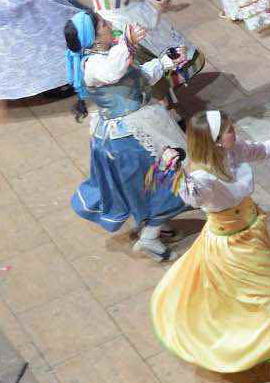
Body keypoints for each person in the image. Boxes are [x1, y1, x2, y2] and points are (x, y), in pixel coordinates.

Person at [151, 110, 270, 383]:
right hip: (233, 246)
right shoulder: (202, 178)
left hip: (254, 230)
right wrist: (177, 172)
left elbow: (267, 150)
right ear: (216, 141)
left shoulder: (233, 150)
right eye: (229, 129)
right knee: (268, 298)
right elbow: (190, 195)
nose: (235, 132)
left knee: (262, 293)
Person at [63, 14, 186, 260]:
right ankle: (150, 237)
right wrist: (127, 43)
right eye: (103, 25)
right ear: (93, 37)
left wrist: (164, 62)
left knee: (155, 183)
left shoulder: (109, 53)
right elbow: (113, 72)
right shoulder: (94, 65)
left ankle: (157, 224)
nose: (109, 26)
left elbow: (136, 78)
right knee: (168, 179)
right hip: (129, 138)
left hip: (138, 127)